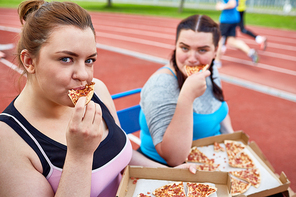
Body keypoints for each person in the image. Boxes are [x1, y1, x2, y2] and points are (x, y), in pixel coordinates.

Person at [0, 1, 196, 196]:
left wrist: (167, 174)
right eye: (66, 59)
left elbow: (121, 156)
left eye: (89, 60)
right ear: (29, 61)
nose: (84, 75)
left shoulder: (97, 91)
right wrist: (79, 156)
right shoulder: (8, 140)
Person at [138, 14, 235, 167]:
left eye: (202, 50)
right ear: (175, 46)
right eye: (184, 48)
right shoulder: (161, 85)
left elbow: (219, 110)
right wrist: (187, 96)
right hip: (166, 170)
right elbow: (173, 158)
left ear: (215, 51)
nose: (192, 58)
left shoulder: (210, 69)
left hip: (212, 159)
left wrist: (233, 142)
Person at [214, 0, 259, 68]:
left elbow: (232, 4)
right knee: (232, 41)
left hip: (226, 20)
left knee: (220, 40)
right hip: (234, 18)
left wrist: (222, 6)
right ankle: (250, 52)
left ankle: (217, 62)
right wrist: (220, 5)